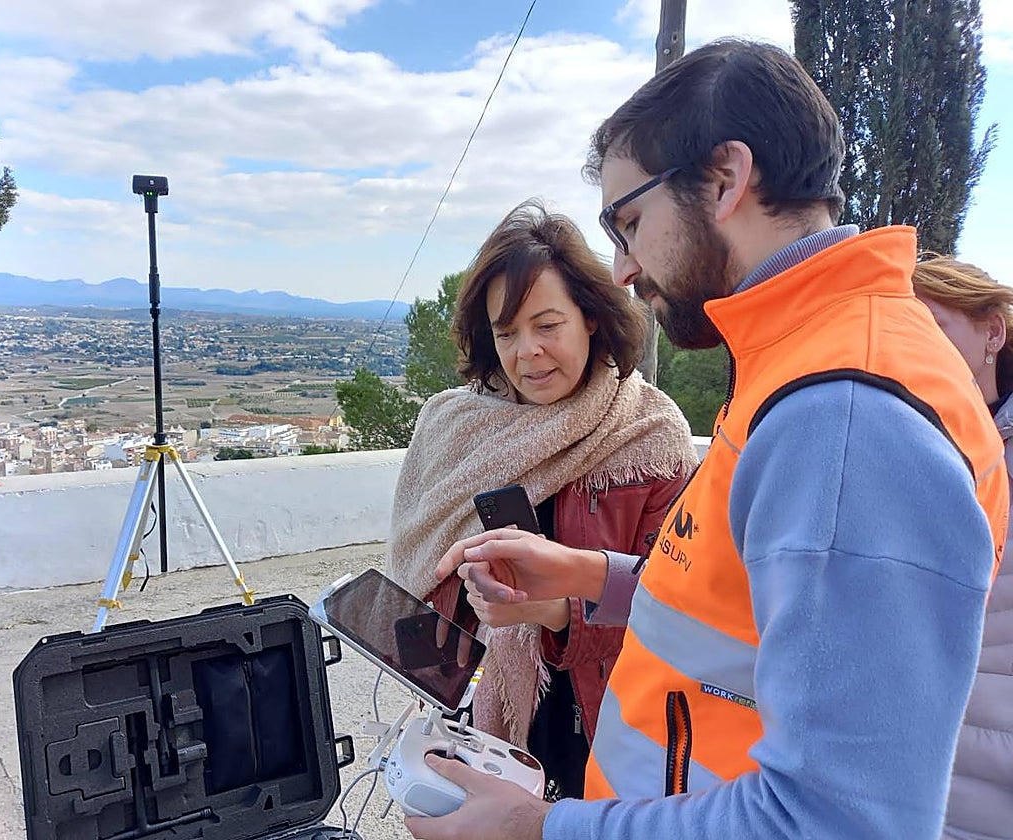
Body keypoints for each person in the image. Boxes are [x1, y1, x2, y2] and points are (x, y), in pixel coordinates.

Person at [405, 38, 1008, 840]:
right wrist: (590, 574)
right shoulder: (801, 357)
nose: (621, 266)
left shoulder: (844, 415)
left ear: (724, 179)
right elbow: (742, 600)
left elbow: (834, 821)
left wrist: (535, 829)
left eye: (630, 222)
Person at [385, 199, 697, 799]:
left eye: (547, 325)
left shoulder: (651, 434)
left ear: (592, 318)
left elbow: (676, 606)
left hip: (614, 726)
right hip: (494, 729)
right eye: (506, 333)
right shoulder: (457, 430)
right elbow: (425, 578)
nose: (526, 350)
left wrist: (552, 611)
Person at [911, 255, 1013, 840]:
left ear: (992, 332)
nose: (914, 348)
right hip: (915, 769)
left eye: (932, 327)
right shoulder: (899, 440)